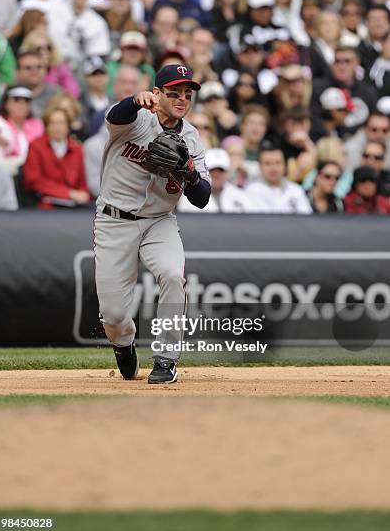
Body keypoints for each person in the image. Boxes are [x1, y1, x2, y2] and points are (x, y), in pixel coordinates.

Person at [94, 64, 211, 385]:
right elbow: (116, 115)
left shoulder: (191, 138)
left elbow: (203, 198)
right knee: (115, 316)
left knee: (173, 275)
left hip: (159, 221)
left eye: (187, 94)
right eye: (173, 93)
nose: (181, 99)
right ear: (157, 94)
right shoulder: (135, 120)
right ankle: (123, 343)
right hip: (114, 221)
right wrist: (134, 100)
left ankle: (166, 358)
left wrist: (189, 173)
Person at [23, 106, 90, 209]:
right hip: (44, 205)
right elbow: (33, 180)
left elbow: (82, 181)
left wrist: (83, 193)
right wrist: (68, 193)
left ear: (68, 126)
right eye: (53, 123)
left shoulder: (77, 149)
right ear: (47, 126)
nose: (57, 127)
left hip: (73, 206)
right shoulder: (36, 146)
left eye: (61, 123)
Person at [246, 141, 312, 214]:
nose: (273, 168)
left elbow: (307, 218)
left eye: (277, 163)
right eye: (267, 163)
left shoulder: (296, 190)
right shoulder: (251, 190)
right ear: (260, 167)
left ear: (285, 165)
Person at [177, 147, 250, 212]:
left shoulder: (240, 196)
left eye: (221, 170)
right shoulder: (189, 197)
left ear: (227, 172)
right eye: (212, 170)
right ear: (204, 172)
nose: (216, 174)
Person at [0, 85, 44, 175]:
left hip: (33, 173)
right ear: (6, 104)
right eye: (16, 100)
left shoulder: (37, 125)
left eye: (26, 101)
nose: (21, 105)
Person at [16, 50, 62, 118]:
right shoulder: (12, 96)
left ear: (46, 69)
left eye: (39, 67)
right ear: (18, 72)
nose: (34, 71)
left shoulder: (58, 94)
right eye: (28, 68)